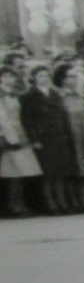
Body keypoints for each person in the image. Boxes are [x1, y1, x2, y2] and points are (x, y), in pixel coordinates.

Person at [21, 65, 75, 213]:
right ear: (34, 78)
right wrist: (34, 139)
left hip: (59, 136)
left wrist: (67, 134)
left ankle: (63, 202)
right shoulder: (29, 96)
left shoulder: (55, 94)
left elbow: (63, 116)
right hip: (44, 138)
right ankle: (50, 204)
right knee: (48, 173)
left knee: (61, 172)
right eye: (40, 76)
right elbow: (27, 120)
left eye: (46, 76)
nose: (44, 79)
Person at [0, 66, 42, 216]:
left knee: (22, 172)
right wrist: (6, 137)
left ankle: (19, 204)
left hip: (20, 134)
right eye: (5, 76)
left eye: (12, 76)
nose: (9, 79)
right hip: (7, 136)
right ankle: (13, 206)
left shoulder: (17, 95)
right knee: (11, 173)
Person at [54, 63, 84, 211]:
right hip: (69, 137)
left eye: (75, 76)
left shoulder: (81, 96)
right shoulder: (59, 96)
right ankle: (71, 201)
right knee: (70, 170)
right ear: (62, 79)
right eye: (70, 76)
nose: (74, 79)